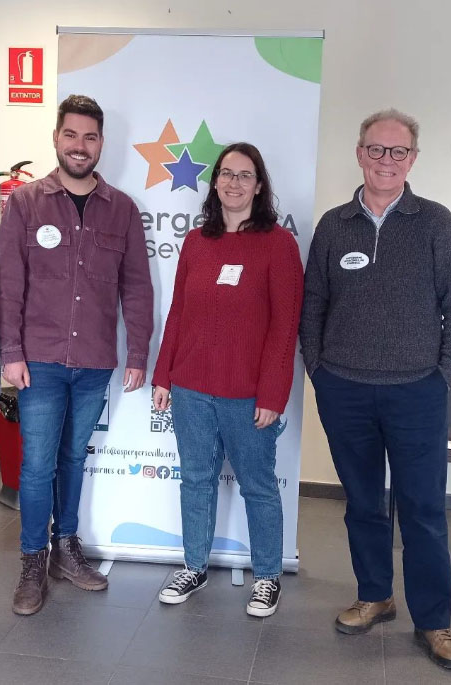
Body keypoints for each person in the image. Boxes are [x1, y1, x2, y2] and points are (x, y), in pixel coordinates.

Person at [300, 109, 451, 668]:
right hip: (346, 390)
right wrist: (320, 370)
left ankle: (436, 619)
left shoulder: (437, 223)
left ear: (413, 159)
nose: (387, 160)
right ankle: (375, 596)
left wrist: (443, 377)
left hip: (418, 392)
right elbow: (313, 301)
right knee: (363, 503)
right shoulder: (334, 225)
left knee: (424, 509)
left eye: (399, 151)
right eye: (377, 149)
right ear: (360, 153)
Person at [0, 94, 153, 616]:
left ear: (101, 143)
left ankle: (66, 548)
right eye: (71, 135)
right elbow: (10, 284)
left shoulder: (123, 208)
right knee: (38, 465)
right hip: (38, 358)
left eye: (90, 137)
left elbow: (137, 288)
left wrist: (137, 354)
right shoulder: (25, 203)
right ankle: (32, 561)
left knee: (72, 457)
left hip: (94, 362)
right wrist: (11, 352)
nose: (80, 146)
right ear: (56, 138)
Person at [153, 143, 303, 617]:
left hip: (248, 395)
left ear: (259, 186)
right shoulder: (198, 242)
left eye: (244, 175)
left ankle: (267, 576)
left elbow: (285, 326)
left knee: (258, 484)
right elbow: (178, 313)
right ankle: (193, 566)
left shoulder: (279, 244)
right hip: (191, 387)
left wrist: (274, 392)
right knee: (196, 480)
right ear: (214, 181)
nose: (233, 183)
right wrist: (164, 376)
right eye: (225, 174)